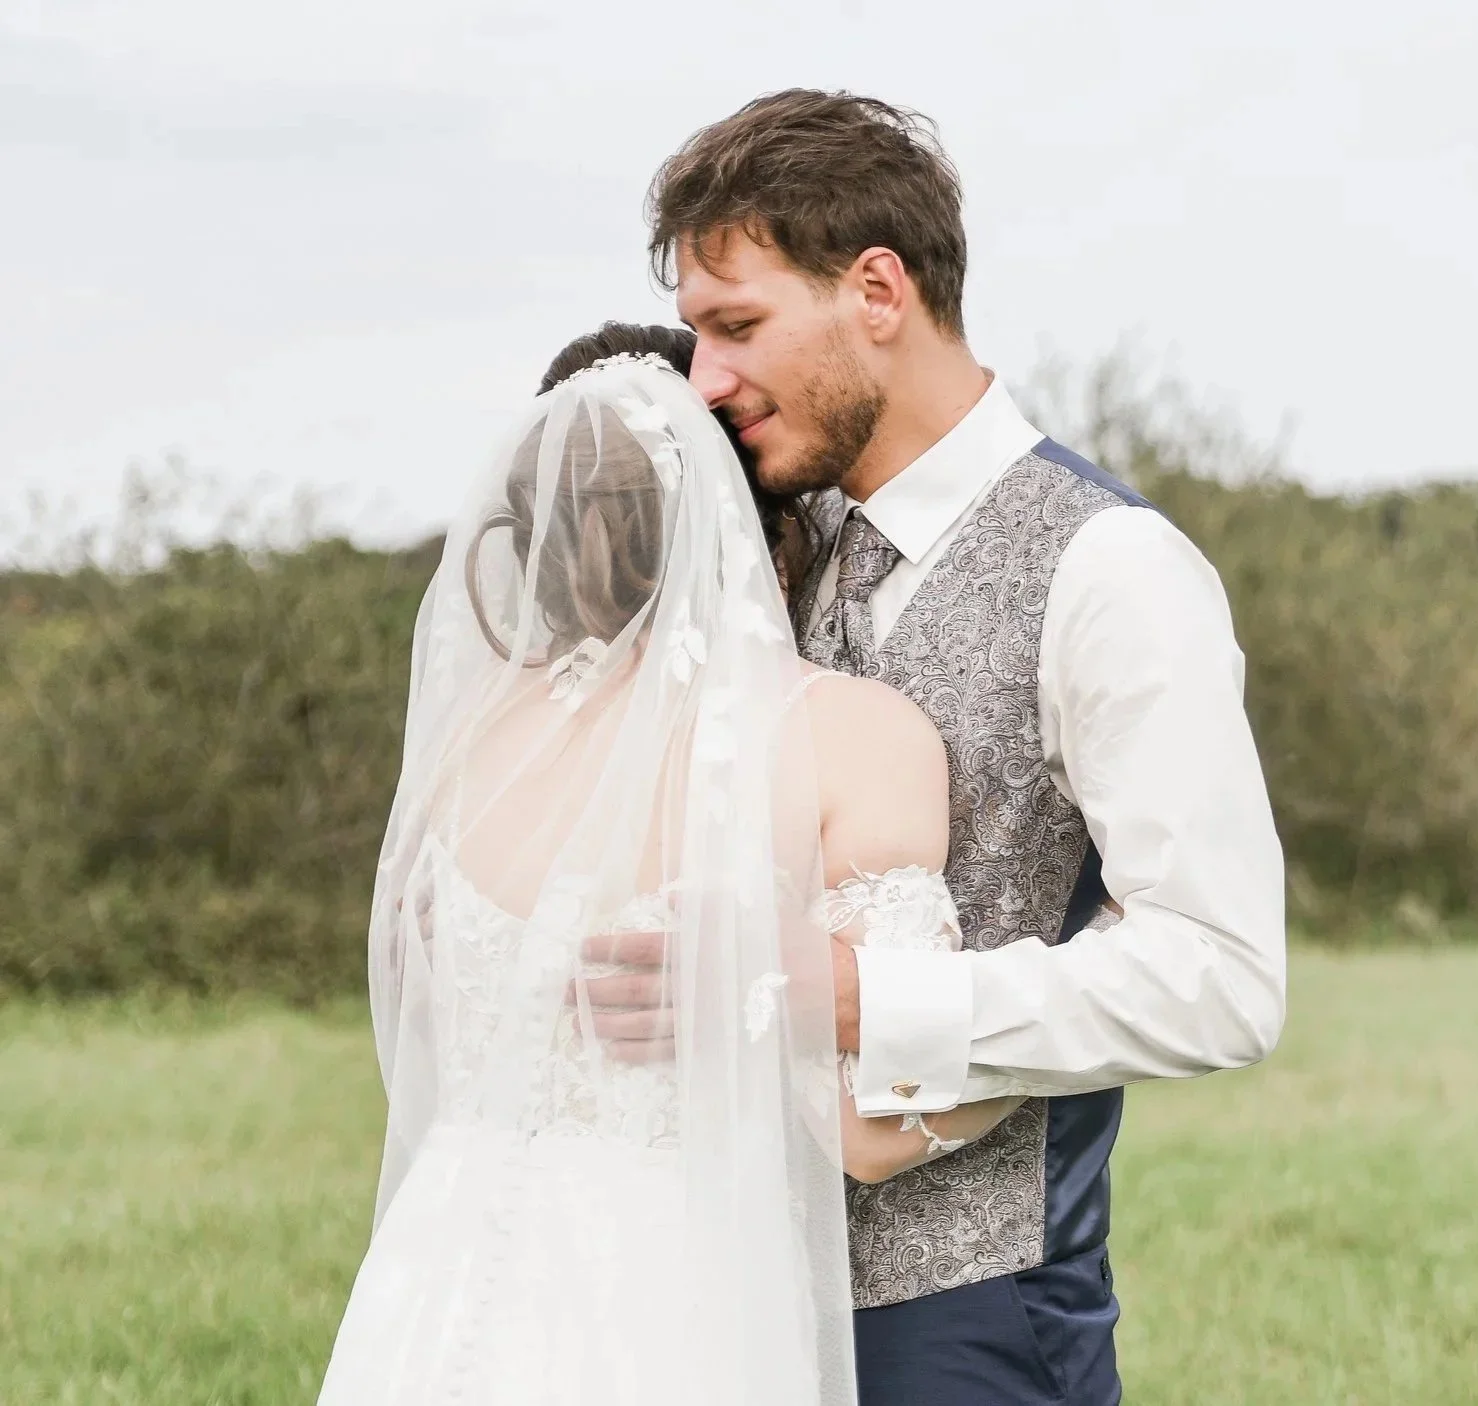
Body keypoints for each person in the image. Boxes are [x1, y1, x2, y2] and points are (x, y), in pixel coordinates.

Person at [631, 89, 1290, 1404]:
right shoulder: (754, 544)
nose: (702, 378)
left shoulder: (1111, 569)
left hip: (969, 1328)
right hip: (725, 1300)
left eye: (737, 325)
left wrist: (870, 1002)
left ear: (876, 290)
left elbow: (1223, 976)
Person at [315, 328, 1019, 1406]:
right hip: (671, 1294)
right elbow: (875, 1135)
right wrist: (1088, 976)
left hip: (436, 1281)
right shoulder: (846, 735)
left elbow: (432, 1046)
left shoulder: (467, 748)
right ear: (761, 512)